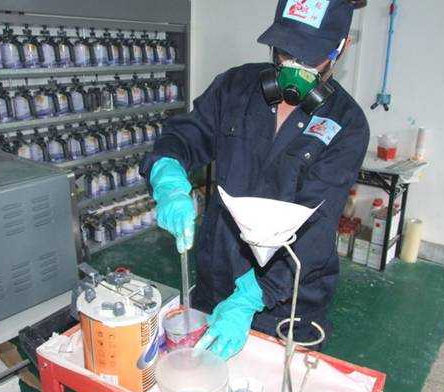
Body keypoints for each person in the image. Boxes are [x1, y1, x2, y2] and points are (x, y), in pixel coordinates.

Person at [141, 0, 369, 360]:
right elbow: (185, 135)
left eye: (309, 57)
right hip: (216, 281)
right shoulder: (235, 87)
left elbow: (316, 226)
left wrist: (251, 296)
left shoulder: (348, 125)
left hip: (286, 302)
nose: (294, 67)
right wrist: (167, 175)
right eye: (286, 52)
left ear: (341, 48)